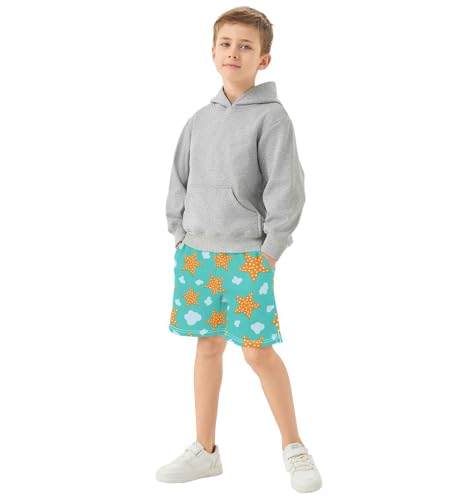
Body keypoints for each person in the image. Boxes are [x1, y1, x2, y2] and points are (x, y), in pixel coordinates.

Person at [156, 6, 322, 493]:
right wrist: (179, 236)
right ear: (212, 52)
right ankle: (204, 450)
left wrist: (269, 251)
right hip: (196, 255)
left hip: (247, 256)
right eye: (226, 44)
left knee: (257, 352)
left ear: (263, 59)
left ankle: (294, 446)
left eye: (246, 46)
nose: (234, 52)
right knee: (207, 347)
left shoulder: (272, 118)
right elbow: (178, 179)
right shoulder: (198, 120)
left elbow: (287, 189)